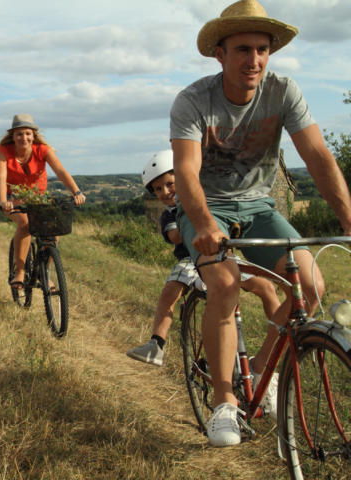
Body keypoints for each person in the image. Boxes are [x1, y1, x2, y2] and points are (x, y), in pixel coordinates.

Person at [170, 0, 351, 447]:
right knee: (226, 284)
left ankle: (261, 374)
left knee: (310, 288)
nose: (254, 60)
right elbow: (187, 174)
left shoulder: (283, 91)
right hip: (206, 208)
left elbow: (319, 158)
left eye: (262, 50)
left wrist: (349, 217)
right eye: (243, 49)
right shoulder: (193, 100)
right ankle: (224, 401)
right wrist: (206, 224)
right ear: (220, 53)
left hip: (259, 206)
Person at [126, 150, 280, 370]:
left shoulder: (210, 201)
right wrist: (189, 217)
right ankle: (156, 343)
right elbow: (174, 236)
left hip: (223, 257)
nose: (165, 192)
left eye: (170, 184)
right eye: (158, 189)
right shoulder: (170, 214)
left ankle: (282, 332)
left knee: (266, 287)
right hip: (191, 258)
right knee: (171, 290)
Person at [0, 114, 86, 288]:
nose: (24, 137)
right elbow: (1, 178)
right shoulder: (3, 151)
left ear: (33, 135)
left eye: (28, 133)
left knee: (53, 233)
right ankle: (20, 272)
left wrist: (77, 191)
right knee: (25, 225)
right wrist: (3, 201)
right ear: (12, 136)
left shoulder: (42, 150)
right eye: (19, 134)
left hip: (37, 198)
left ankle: (44, 273)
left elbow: (60, 171)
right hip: (11, 198)